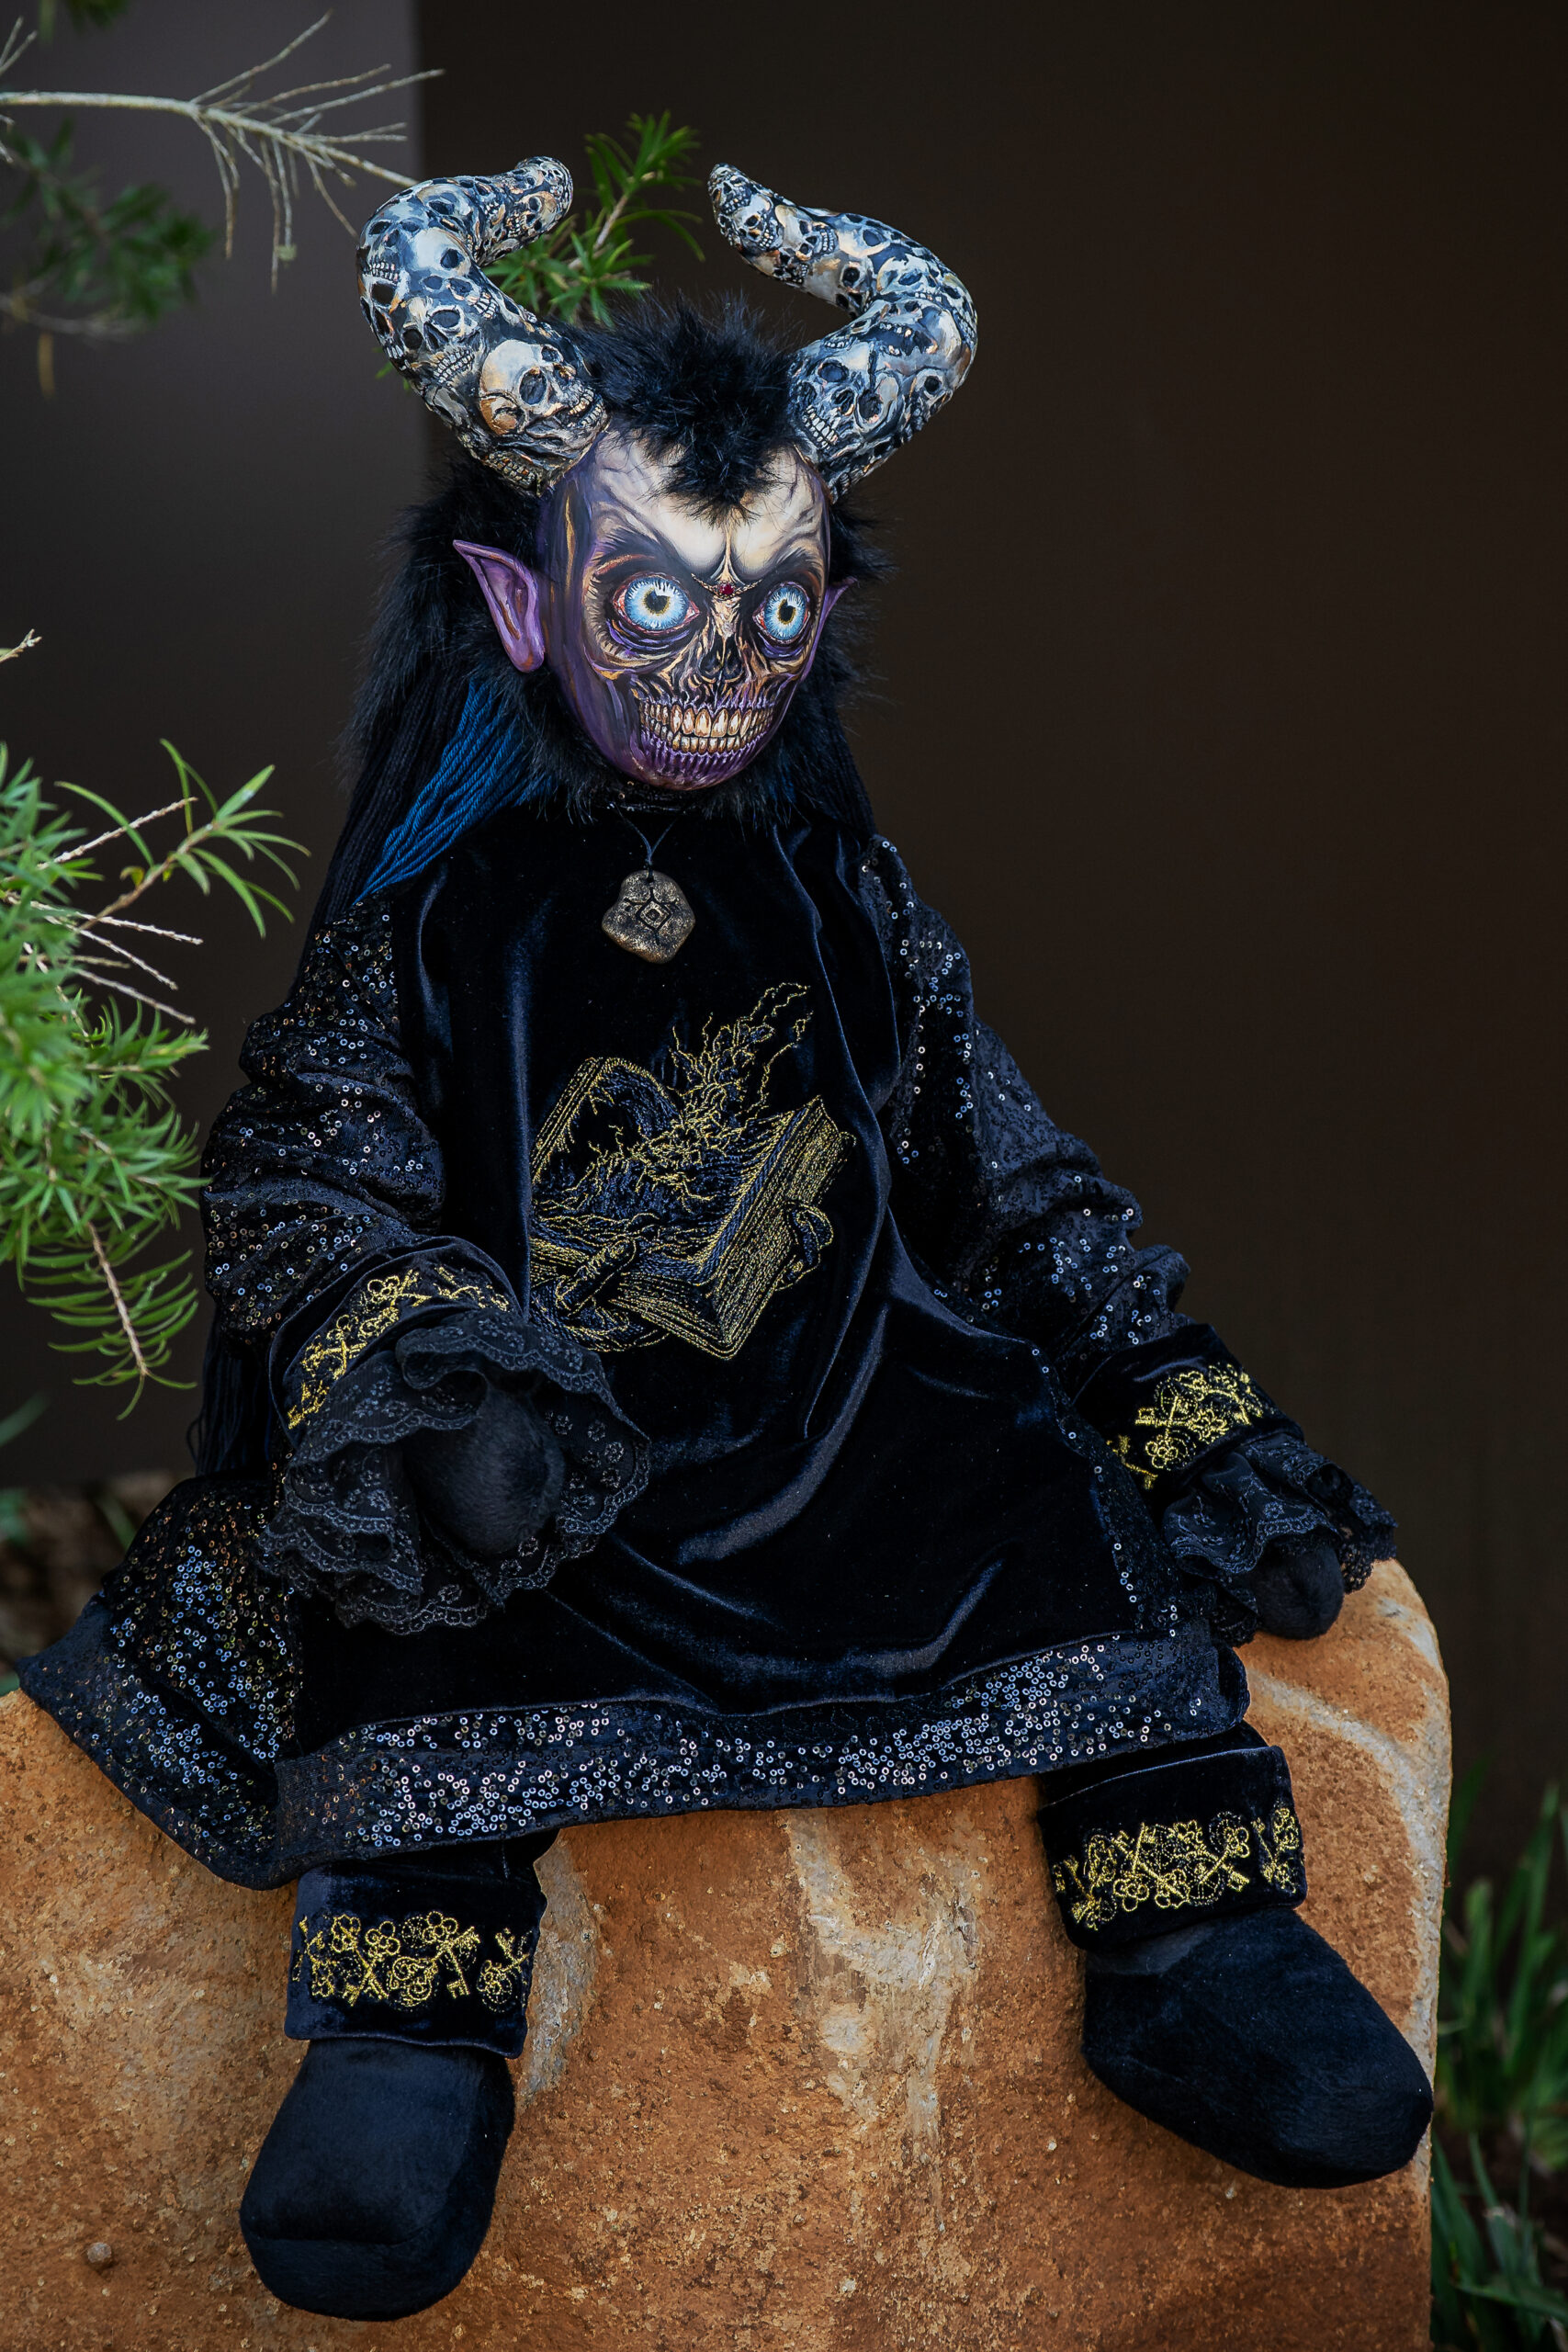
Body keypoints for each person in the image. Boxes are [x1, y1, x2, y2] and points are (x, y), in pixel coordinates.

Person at [20, 157, 1431, 2324]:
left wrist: (1171, 1395)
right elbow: (305, 1168)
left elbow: (1003, 1166)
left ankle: (1188, 1936)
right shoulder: (435, 921)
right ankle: (412, 2026)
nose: (717, 662)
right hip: (552, 1461)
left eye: (771, 607)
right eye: (652, 599)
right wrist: (424, 1359)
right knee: (414, 1598)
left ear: (825, 603)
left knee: (1045, 1491)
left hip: (855, 1410)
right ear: (522, 609)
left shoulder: (846, 899)